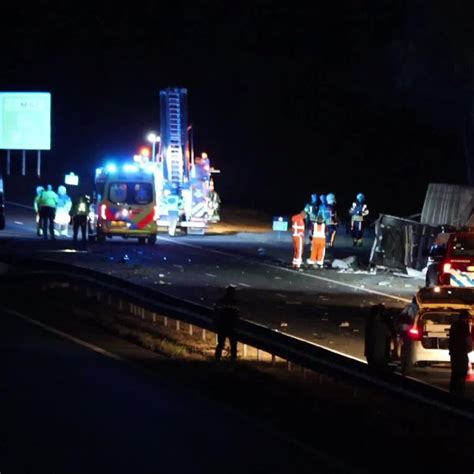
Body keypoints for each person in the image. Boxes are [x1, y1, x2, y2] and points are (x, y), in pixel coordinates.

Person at [449, 310, 473, 396]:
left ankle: (452, 391)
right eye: (468, 318)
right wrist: (470, 347)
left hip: (453, 352)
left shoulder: (454, 325)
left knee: (455, 372)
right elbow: (468, 338)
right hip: (462, 352)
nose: (469, 320)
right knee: (462, 372)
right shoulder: (464, 326)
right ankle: (459, 392)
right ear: (464, 318)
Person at [214, 285, 240, 361]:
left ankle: (217, 358)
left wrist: (216, 323)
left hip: (223, 326)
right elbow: (237, 315)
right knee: (233, 344)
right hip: (230, 326)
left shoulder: (221, 301)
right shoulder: (234, 302)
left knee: (222, 343)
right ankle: (232, 359)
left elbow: (216, 313)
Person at [364, 304, 391, 371]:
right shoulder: (382, 325)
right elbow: (388, 335)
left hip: (370, 353)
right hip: (379, 353)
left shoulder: (369, 324)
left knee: (371, 368)